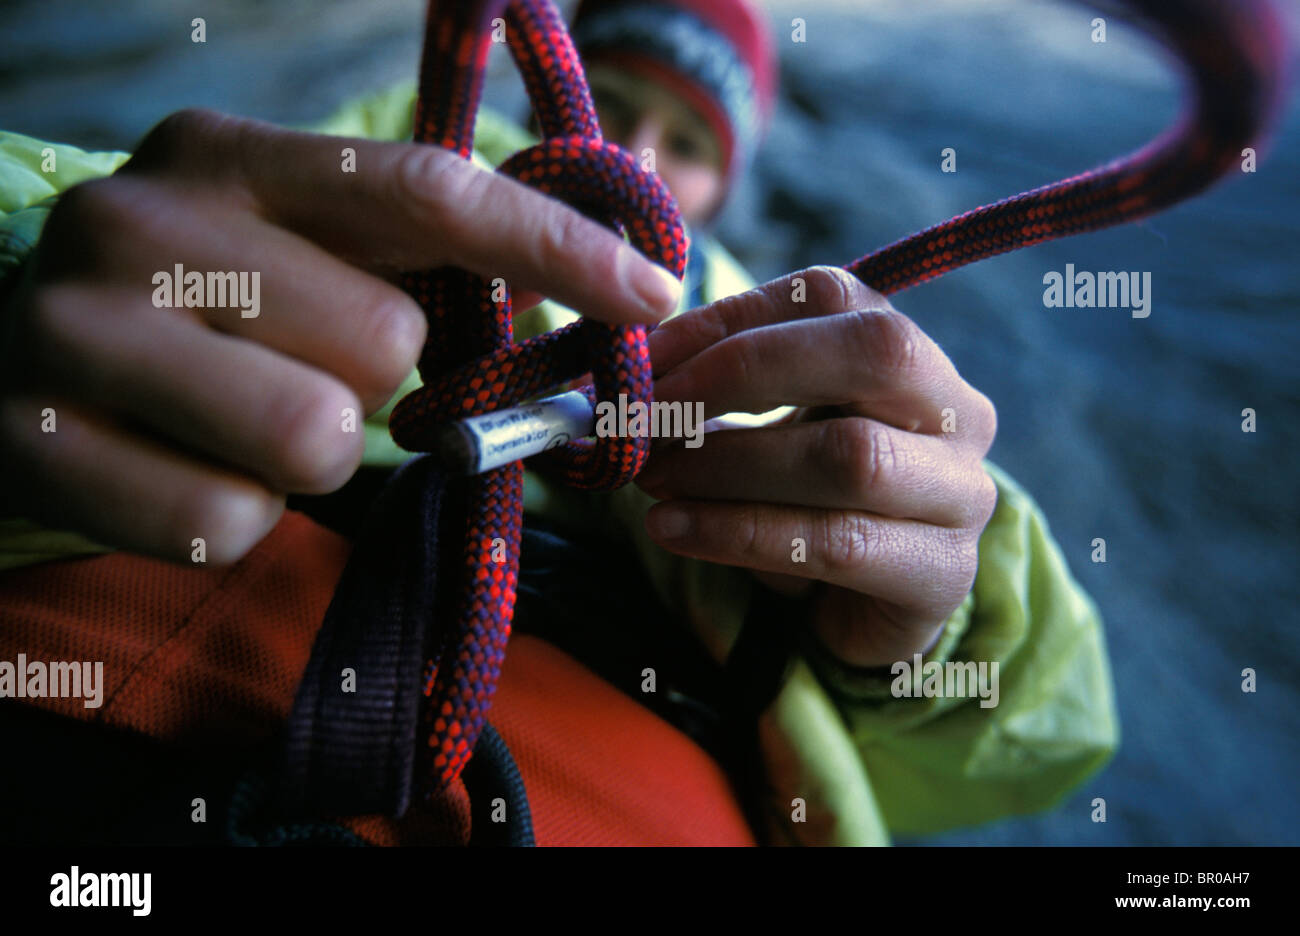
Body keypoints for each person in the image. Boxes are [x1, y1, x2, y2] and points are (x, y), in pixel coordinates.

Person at [0, 0, 1117, 845]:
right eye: (612, 105)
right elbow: (131, 222)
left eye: (685, 143)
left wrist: (933, 620)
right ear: (541, 108)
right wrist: (32, 268)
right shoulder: (373, 173)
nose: (636, 154)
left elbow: (1035, 747)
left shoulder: (788, 351)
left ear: (726, 189)